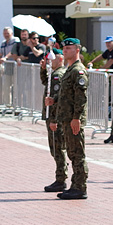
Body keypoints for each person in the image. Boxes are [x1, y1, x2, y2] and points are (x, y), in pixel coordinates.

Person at [49, 38, 88, 199]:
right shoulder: (69, 70)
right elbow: (67, 94)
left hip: (73, 118)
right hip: (66, 118)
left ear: (77, 50)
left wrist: (76, 118)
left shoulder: (78, 70)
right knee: (72, 152)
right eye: (64, 48)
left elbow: (81, 97)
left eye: (69, 48)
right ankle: (75, 184)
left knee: (77, 153)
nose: (65, 51)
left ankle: (80, 187)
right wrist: (54, 99)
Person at [41, 49, 68, 191]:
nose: (50, 60)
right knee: (55, 148)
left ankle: (61, 178)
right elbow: (46, 82)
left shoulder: (58, 75)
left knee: (58, 148)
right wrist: (43, 69)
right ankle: (61, 176)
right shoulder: (54, 74)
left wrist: (53, 119)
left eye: (53, 58)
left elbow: (56, 101)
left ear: (61, 58)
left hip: (55, 117)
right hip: (52, 117)